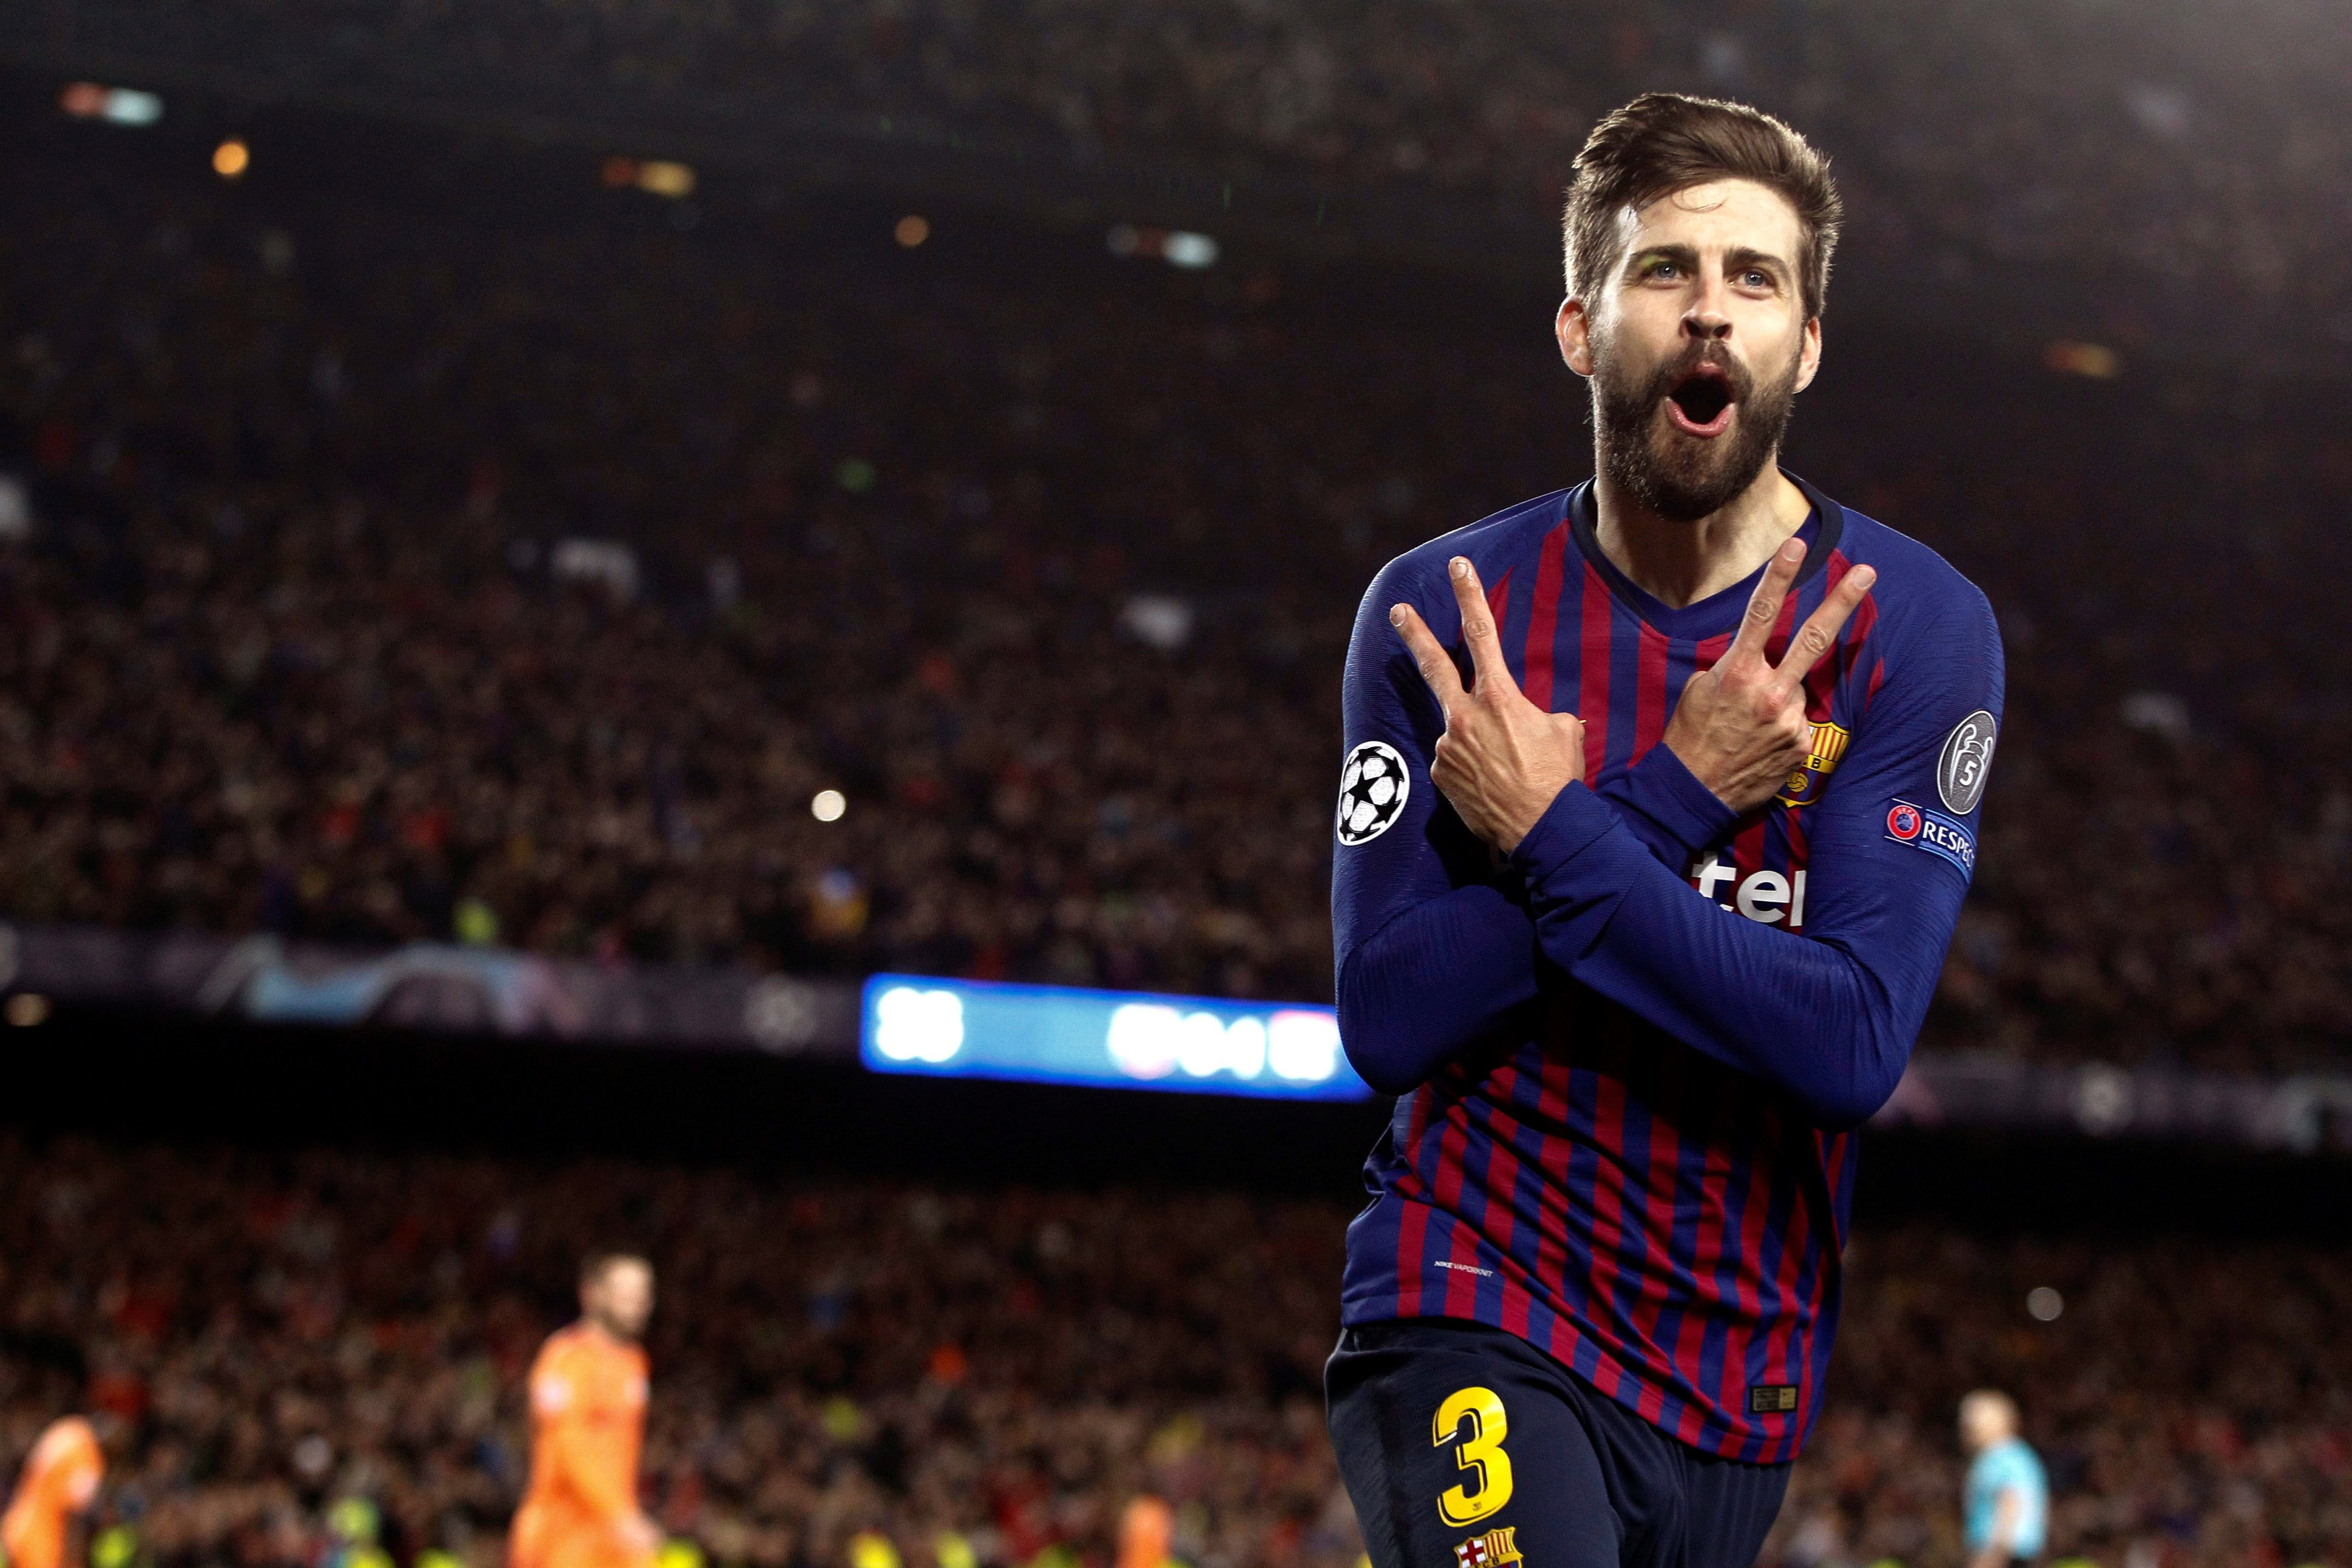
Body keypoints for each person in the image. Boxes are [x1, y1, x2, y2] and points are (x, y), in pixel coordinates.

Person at [1323, 92, 2004, 1568]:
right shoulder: (1441, 615)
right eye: (1664, 271)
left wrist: (1560, 833)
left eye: (1754, 278)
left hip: (1735, 1373)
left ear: (1805, 346)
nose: (1711, 314)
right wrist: (1673, 800)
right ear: (1580, 325)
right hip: (1474, 1296)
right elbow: (1384, 1017)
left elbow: (1844, 1047)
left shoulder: (1915, 630)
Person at [511, 1255, 660, 1568]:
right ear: (592, 1294)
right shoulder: (567, 1358)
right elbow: (568, 1443)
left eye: (644, 1293)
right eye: (625, 1292)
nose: (638, 1302)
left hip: (611, 1537)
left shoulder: (634, 1361)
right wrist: (619, 1513)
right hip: (562, 1535)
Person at [1, 1416, 105, 1568]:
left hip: (20, 1528)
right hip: (44, 1543)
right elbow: (80, 1505)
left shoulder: (63, 1435)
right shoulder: (85, 1450)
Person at [1960, 1391, 2047, 1568]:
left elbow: (2011, 1503)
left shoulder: (2005, 1457)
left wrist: (1994, 1556)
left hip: (2004, 1555)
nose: (1965, 1428)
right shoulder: (2008, 1455)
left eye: (1972, 1422)